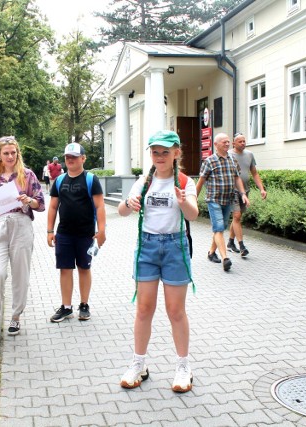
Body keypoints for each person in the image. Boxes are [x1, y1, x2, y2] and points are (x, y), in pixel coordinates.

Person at [117, 130, 198, 392]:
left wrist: (182, 202)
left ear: (176, 153)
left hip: (175, 247)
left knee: (175, 311)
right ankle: (138, 364)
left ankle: (183, 367)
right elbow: (121, 211)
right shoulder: (144, 181)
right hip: (148, 248)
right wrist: (129, 203)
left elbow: (193, 215)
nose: (160, 157)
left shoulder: (184, 181)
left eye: (165, 152)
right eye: (155, 152)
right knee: (143, 309)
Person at [0, 136, 45, 336]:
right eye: (6, 153)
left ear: (17, 153)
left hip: (21, 224)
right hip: (0, 225)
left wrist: (29, 200)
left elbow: (40, 203)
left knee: (20, 274)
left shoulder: (27, 175)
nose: (10, 156)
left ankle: (16, 317)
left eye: (13, 153)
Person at [47, 143, 106, 322]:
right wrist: (50, 230)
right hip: (64, 233)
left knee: (84, 268)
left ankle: (84, 304)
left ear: (83, 158)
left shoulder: (90, 179)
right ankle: (66, 307)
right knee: (65, 269)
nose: (70, 160)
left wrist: (101, 231)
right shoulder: (59, 181)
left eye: (74, 156)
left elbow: (100, 206)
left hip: (85, 234)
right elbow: (53, 206)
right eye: (67, 157)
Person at [195, 133, 249, 272]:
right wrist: (193, 198)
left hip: (229, 199)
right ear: (216, 145)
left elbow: (237, 178)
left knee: (222, 227)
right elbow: (201, 182)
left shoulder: (232, 159)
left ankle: (211, 252)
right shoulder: (209, 161)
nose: (227, 144)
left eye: (228, 142)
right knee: (219, 228)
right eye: (224, 142)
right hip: (214, 200)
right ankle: (225, 258)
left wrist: (243, 194)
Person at [227, 133, 267, 257]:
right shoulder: (228, 155)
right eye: (240, 142)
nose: (243, 143)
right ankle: (242, 246)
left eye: (244, 141)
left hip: (246, 191)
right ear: (234, 143)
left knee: (237, 218)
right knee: (237, 216)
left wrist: (261, 189)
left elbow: (254, 173)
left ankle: (230, 243)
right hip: (232, 191)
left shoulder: (249, 155)